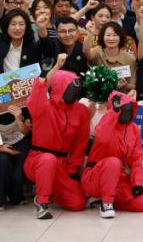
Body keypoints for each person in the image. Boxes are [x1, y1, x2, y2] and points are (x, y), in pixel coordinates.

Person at [24, 60, 89, 219]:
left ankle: (50, 191)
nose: (75, 90)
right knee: (48, 159)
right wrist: (53, 69)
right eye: (70, 86)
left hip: (62, 164)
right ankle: (42, 202)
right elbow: (37, 93)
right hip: (38, 160)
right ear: (60, 86)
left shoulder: (80, 110)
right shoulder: (43, 106)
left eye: (76, 86)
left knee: (77, 204)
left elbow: (80, 143)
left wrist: (73, 169)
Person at [82, 91, 143, 218]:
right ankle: (106, 204)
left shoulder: (134, 129)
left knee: (142, 203)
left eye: (130, 109)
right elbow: (102, 134)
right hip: (94, 177)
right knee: (113, 162)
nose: (128, 113)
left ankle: (101, 201)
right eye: (124, 109)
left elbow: (136, 160)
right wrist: (114, 111)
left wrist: (137, 183)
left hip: (118, 178)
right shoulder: (106, 124)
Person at [84, 21, 137, 92]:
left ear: (120, 37)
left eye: (115, 35)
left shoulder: (130, 59)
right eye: (108, 35)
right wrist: (90, 33)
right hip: (98, 94)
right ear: (102, 37)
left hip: (120, 95)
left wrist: (125, 85)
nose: (111, 39)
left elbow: (133, 85)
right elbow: (86, 52)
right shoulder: (97, 51)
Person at [0, 104, 31, 210]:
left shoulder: (21, 103)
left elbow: (26, 131)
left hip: (20, 140)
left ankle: (16, 195)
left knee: (19, 173)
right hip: (1, 144)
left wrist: (19, 119)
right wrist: (1, 148)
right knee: (3, 161)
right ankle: (1, 199)